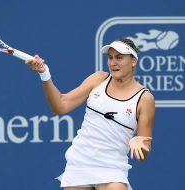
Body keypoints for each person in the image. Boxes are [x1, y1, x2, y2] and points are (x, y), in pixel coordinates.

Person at [25, 38, 155, 190]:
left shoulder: (145, 99)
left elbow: (144, 153)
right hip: (80, 163)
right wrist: (44, 73)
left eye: (119, 57)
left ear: (133, 61)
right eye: (110, 57)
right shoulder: (98, 79)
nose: (113, 63)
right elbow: (60, 106)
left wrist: (139, 141)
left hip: (112, 169)